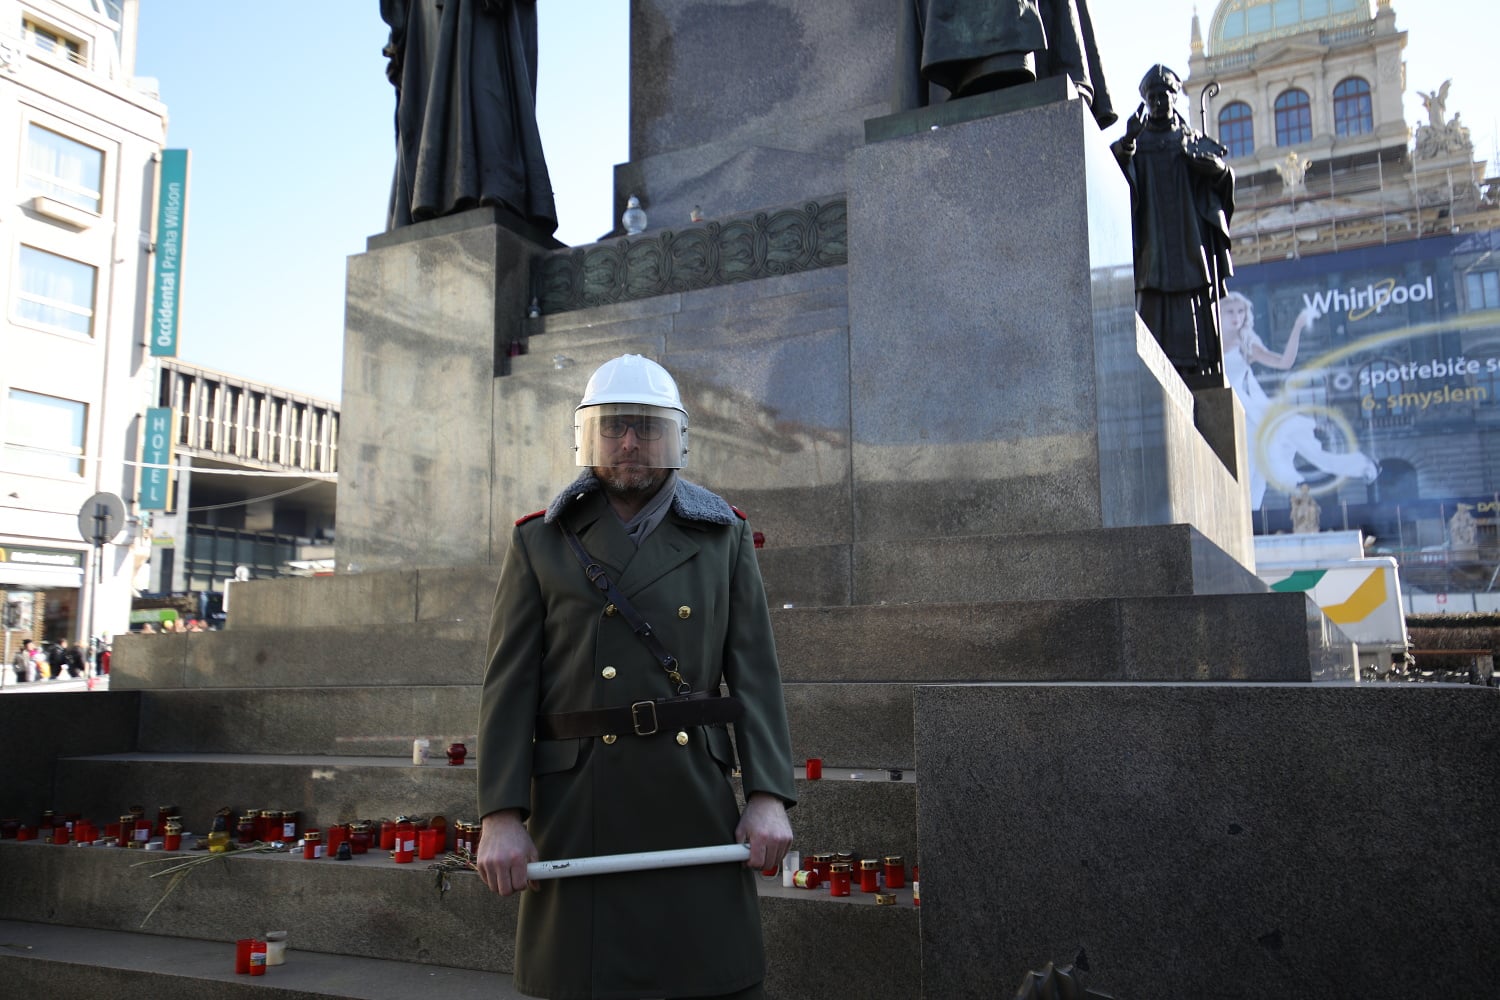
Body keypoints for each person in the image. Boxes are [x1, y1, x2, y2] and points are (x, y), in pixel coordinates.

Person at [476, 354, 796, 1000]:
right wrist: (500, 814)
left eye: (645, 428)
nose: (628, 443)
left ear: (674, 439)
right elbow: (509, 690)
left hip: (693, 800)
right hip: (579, 807)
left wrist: (768, 795)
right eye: (614, 427)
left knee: (708, 982)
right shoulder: (541, 542)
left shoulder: (722, 538)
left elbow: (755, 674)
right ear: (587, 438)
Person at [379, 0, 558, 234]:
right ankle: (433, 192)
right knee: (431, 87)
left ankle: (491, 185)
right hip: (428, 14)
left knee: (485, 78)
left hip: (481, 12)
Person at [1112, 64, 1235, 384]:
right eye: (1151, 97)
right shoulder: (1138, 142)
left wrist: (1215, 169)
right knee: (1152, 296)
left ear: (1174, 97)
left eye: (1163, 95)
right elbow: (1112, 172)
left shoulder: (1191, 139)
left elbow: (1222, 177)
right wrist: (1127, 142)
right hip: (1153, 239)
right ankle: (1152, 366)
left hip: (1187, 237)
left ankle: (1198, 365)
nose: (1157, 102)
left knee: (1192, 294)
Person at [1220, 292, 1379, 509]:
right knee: (1255, 468)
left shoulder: (1247, 343)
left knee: (1291, 453)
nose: (1236, 317)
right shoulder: (1212, 342)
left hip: (1251, 409)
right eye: (1230, 311)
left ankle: (1362, 466)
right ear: (1220, 313)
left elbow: (1284, 363)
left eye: (1240, 311)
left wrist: (1297, 327)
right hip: (1231, 408)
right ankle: (1248, 519)